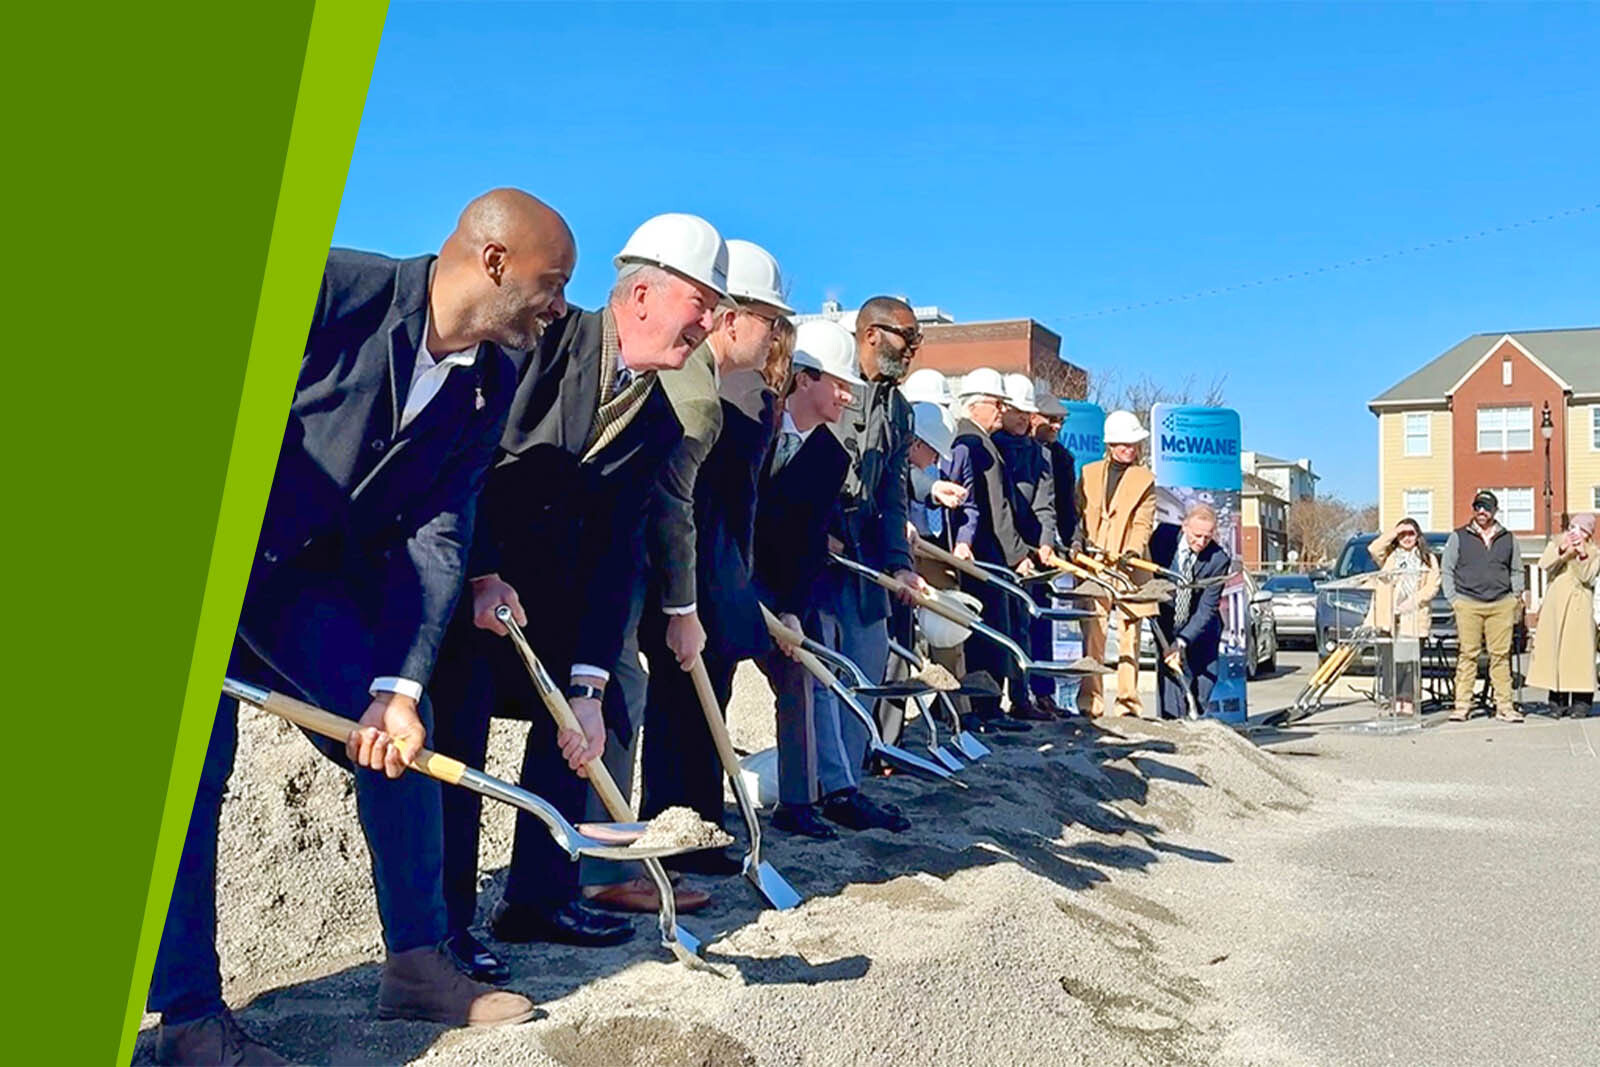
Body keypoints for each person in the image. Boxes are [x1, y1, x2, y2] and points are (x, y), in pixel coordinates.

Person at [148, 188, 570, 1065]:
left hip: (293, 582)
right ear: (494, 261)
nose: (559, 305)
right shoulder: (331, 291)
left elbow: (440, 528)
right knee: (192, 770)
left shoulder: (493, 376)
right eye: (551, 282)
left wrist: (399, 682)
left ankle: (418, 959)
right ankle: (187, 1015)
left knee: (398, 731)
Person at [427, 213, 724, 980]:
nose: (709, 327)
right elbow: (470, 463)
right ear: (647, 294)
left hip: (550, 614)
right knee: (455, 725)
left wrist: (589, 683)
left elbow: (620, 556)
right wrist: (482, 570)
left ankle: (538, 894)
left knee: (594, 719)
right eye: (702, 305)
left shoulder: (656, 418)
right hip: (464, 587)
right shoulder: (538, 342)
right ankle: (444, 927)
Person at [583, 240, 794, 911]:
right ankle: (605, 868)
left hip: (639, 568)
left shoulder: (709, 385)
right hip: (618, 568)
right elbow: (671, 504)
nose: (774, 338)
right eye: (768, 321)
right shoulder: (697, 392)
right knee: (615, 697)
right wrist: (683, 606)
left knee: (627, 696)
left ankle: (615, 860)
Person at [810, 297, 927, 831]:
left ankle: (849, 782)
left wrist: (900, 564)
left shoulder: (899, 410)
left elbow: (894, 495)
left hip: (865, 561)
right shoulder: (827, 380)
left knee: (867, 660)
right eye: (908, 337)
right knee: (821, 674)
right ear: (873, 334)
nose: (914, 349)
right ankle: (825, 787)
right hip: (816, 553)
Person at [752, 321, 860, 838]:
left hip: (779, 584)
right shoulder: (754, 420)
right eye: (839, 383)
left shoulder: (831, 458)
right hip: (722, 570)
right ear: (804, 380)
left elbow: (808, 539)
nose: (847, 395)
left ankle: (797, 802)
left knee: (798, 674)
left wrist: (791, 607)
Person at [949, 368, 1036, 730]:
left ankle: (986, 706)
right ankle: (986, 708)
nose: (1002, 410)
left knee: (988, 630)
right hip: (984, 554)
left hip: (982, 551)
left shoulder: (978, 440)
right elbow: (995, 508)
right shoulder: (975, 443)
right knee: (988, 632)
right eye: (997, 403)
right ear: (976, 404)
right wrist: (1016, 554)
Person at [1072, 410, 1157, 719]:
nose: (1129, 449)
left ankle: (1128, 702)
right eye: (1123, 444)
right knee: (1092, 633)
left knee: (1130, 634)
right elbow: (1079, 515)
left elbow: (1143, 522)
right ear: (1110, 444)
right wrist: (1077, 543)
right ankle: (1090, 701)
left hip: (1129, 565)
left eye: (1133, 444)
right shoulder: (1089, 473)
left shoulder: (1145, 479)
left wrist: (1133, 551)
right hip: (1094, 564)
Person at [992, 373, 1061, 720]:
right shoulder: (991, 446)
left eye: (1026, 413)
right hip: (995, 547)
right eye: (1016, 411)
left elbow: (1044, 504)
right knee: (995, 625)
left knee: (1023, 623)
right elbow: (996, 505)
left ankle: (1022, 697)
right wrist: (1015, 549)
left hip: (1029, 552)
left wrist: (1045, 541)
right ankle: (987, 701)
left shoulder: (1039, 455)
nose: (1022, 418)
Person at [1441, 490, 1525, 722]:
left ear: (1495, 511)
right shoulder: (1459, 536)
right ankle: (1462, 705)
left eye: (1486, 508)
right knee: (1468, 655)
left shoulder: (1508, 538)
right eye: (1478, 507)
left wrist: (1515, 596)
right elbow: (1446, 568)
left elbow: (1517, 569)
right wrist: (1454, 599)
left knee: (1500, 656)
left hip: (1501, 603)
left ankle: (1504, 706)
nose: (1481, 512)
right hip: (1467, 603)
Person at [1150, 504, 1231, 719]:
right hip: (1167, 620)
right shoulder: (1162, 537)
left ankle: (1195, 718)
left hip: (1202, 627)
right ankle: (1173, 726)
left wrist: (1183, 641)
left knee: (1202, 683)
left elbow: (1207, 607)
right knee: (1171, 679)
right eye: (1197, 535)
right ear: (1184, 527)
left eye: (1207, 536)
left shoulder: (1218, 559)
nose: (1201, 542)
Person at [1363, 518, 1441, 716]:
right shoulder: (1389, 556)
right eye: (1403, 534)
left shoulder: (1428, 558)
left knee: (1408, 663)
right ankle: (1394, 700)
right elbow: (1374, 548)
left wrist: (1412, 602)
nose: (1407, 538)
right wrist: (1394, 531)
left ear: (1418, 536)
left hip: (1413, 616)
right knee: (1391, 662)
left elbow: (1433, 585)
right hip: (1390, 618)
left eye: (1411, 534)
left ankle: (1408, 701)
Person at [1527, 514, 1598, 719]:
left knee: (1578, 655)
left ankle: (1581, 703)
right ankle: (1557, 701)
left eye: (1581, 529)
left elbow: (1588, 576)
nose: (1575, 532)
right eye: (1572, 527)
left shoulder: (1594, 553)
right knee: (1555, 652)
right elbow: (1544, 564)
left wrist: (1581, 554)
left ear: (1588, 534)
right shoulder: (1556, 544)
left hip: (1580, 608)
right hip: (1555, 607)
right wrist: (1562, 551)